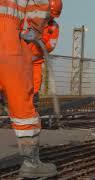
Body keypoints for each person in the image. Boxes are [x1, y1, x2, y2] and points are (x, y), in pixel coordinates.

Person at [0, 0, 60, 178]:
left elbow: (49, 45)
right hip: (11, 40)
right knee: (22, 105)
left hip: (27, 52)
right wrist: (34, 29)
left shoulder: (53, 27)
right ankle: (31, 162)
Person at [28, 19, 60, 108]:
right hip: (20, 58)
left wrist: (41, 44)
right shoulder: (33, 18)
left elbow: (51, 45)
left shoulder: (54, 27)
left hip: (36, 61)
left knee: (34, 88)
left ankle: (32, 107)